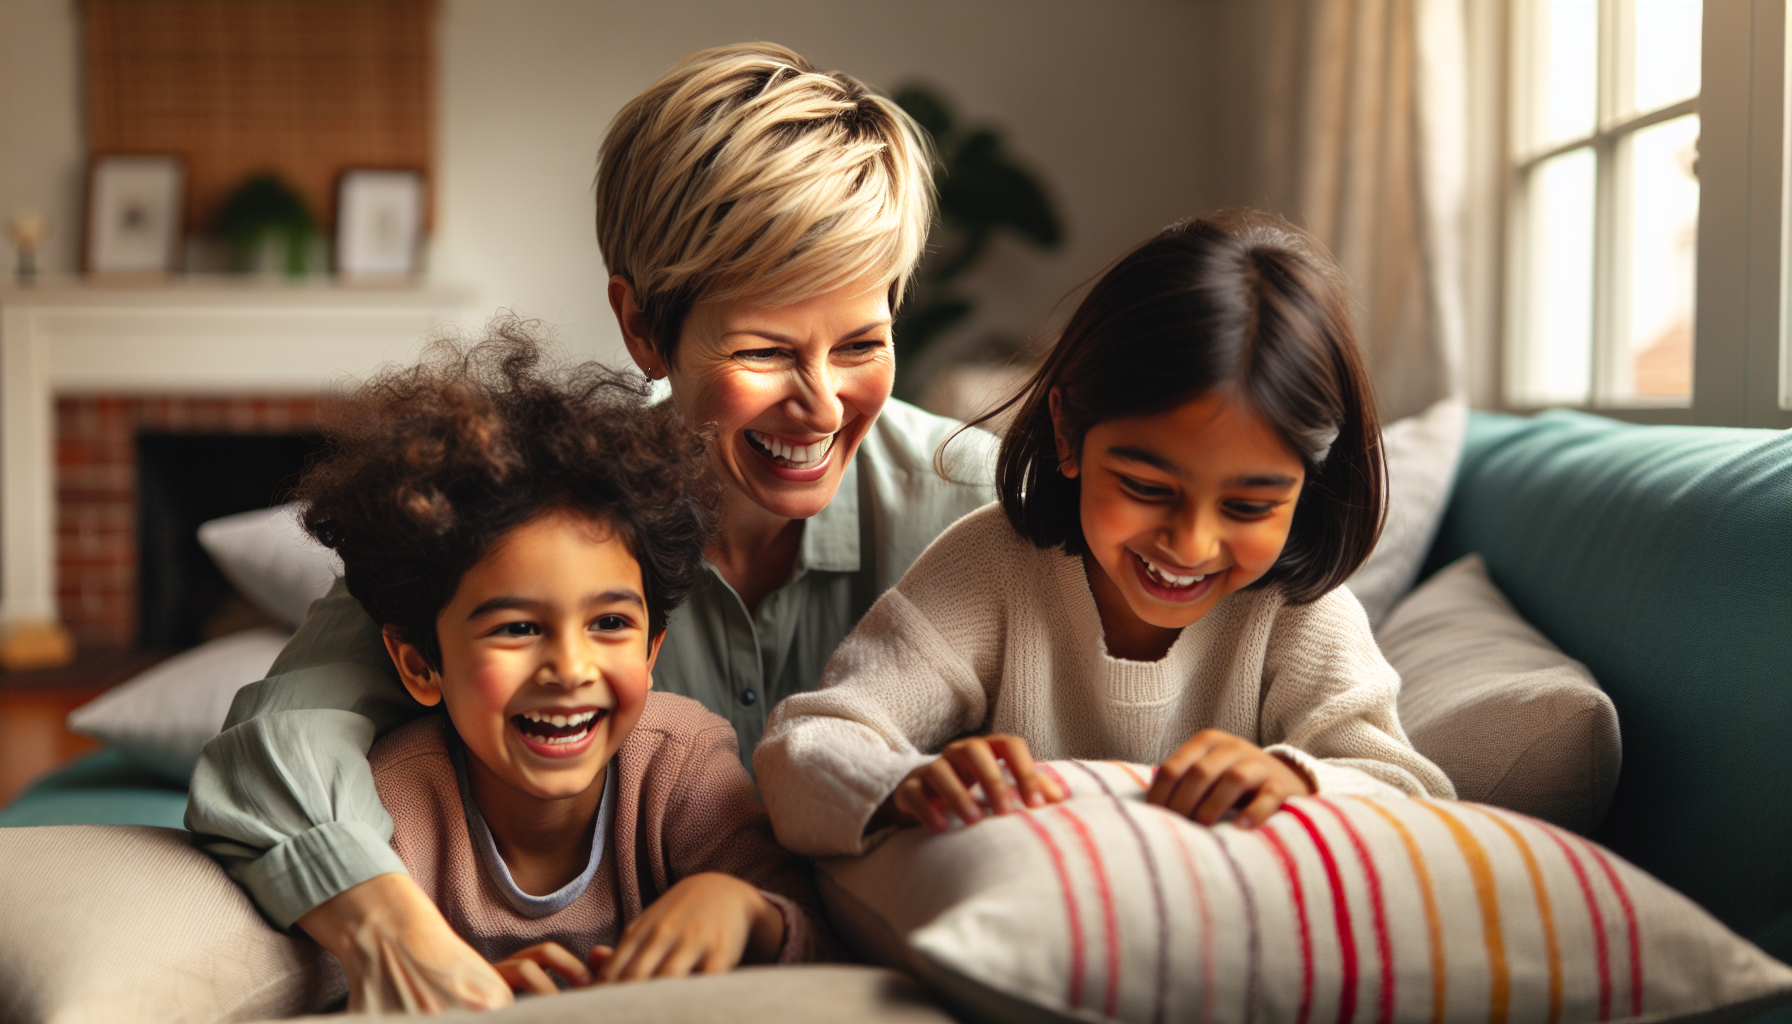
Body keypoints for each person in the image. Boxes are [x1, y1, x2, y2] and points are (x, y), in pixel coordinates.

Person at [184, 43, 990, 1010]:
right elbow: (273, 746)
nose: (820, 407)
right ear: (643, 327)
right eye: (766, 351)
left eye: (863, 344)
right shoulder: (532, 513)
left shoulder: (977, 509)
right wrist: (399, 934)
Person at [753, 212, 1455, 858]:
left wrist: (1295, 778)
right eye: (1148, 489)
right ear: (1067, 432)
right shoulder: (989, 569)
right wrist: (904, 782)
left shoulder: (1303, 617)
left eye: (1248, 507)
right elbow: (807, 746)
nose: (1190, 544)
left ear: (1308, 489)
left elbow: (1411, 795)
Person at [297, 327, 834, 1002]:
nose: (570, 667)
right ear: (419, 665)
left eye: (610, 624)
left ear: (651, 647)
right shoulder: (395, 803)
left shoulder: (682, 766)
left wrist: (742, 910)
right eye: (519, 628)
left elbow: (823, 940)